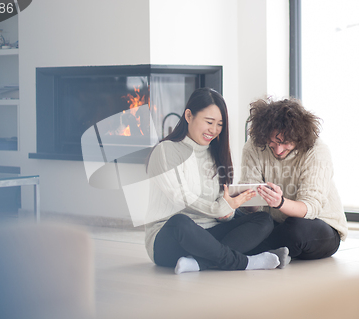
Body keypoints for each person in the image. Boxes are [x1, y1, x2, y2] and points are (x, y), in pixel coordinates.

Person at [144, 88, 288, 274]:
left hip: (209, 232)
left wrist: (228, 209)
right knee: (180, 222)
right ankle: (244, 262)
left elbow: (221, 202)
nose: (214, 130)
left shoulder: (216, 154)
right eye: (209, 122)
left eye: (220, 124)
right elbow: (180, 197)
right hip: (171, 239)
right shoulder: (165, 151)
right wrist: (219, 208)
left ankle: (199, 263)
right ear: (189, 115)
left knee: (264, 220)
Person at [240, 97, 348, 261]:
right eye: (272, 142)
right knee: (243, 220)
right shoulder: (254, 146)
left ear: (298, 136)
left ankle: (246, 252)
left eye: (285, 142)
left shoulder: (317, 151)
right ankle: (266, 253)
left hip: (318, 225)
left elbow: (310, 207)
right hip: (277, 224)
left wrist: (280, 202)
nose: (278, 149)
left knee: (296, 230)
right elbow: (252, 206)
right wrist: (247, 201)